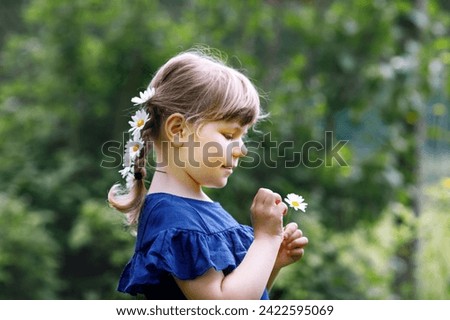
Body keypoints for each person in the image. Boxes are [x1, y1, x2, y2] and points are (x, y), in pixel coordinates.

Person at [108, 49, 308, 299]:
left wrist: (270, 260)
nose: (242, 150)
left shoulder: (193, 209)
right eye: (229, 135)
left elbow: (241, 296)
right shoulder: (175, 219)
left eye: (242, 137)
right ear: (178, 130)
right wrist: (266, 239)